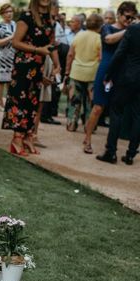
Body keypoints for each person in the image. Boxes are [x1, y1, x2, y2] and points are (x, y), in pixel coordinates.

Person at [1, 0, 60, 155]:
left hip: (38, 67)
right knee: (20, 100)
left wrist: (57, 65)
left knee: (33, 102)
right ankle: (17, 139)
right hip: (23, 66)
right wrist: (37, 49)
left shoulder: (50, 19)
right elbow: (15, 42)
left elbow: (51, 44)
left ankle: (28, 137)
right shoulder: (26, 16)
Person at [83, 2, 137, 154]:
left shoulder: (131, 29)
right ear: (119, 14)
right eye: (127, 16)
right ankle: (87, 139)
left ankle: (110, 146)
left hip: (122, 72)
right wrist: (129, 30)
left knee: (115, 110)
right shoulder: (107, 27)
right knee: (98, 107)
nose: (129, 20)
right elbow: (109, 39)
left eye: (132, 18)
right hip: (106, 69)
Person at [96, 21, 140, 164]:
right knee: (138, 116)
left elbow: (120, 53)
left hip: (128, 76)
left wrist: (108, 74)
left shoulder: (133, 28)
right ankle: (130, 155)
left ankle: (111, 152)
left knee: (116, 111)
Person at [65, 13, 103, 132]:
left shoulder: (79, 36)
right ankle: (89, 126)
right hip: (92, 74)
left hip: (76, 72)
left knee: (74, 100)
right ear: (100, 25)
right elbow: (101, 58)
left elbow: (70, 54)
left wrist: (67, 71)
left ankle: (71, 123)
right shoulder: (99, 38)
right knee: (90, 102)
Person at [0, 3, 17, 110]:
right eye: (7, 12)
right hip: (3, 56)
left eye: (11, 11)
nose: (9, 14)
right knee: (2, 80)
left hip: (13, 55)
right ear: (2, 14)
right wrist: (11, 37)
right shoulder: (0, 26)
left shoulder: (15, 24)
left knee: (10, 79)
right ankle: (0, 102)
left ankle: (9, 101)